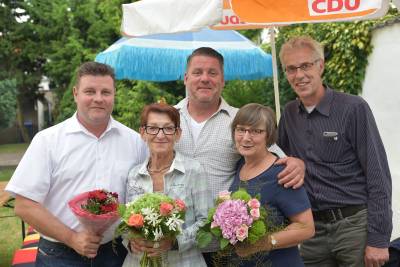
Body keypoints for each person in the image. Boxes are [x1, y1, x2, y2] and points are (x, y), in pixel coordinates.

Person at [5, 62, 148, 267]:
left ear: (114, 94)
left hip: (116, 253)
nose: (98, 98)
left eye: (105, 92)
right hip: (60, 255)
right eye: (90, 91)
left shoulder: (135, 142)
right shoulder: (48, 141)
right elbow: (24, 205)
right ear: (75, 93)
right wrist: (72, 238)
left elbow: (143, 195)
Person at [174, 47, 306, 266]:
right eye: (197, 72)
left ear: (223, 80)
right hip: (179, 246)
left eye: (212, 73)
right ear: (186, 78)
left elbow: (276, 159)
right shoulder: (167, 121)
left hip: (225, 248)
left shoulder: (242, 122)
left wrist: (297, 163)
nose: (205, 78)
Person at [277, 36, 392, 267]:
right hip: (311, 232)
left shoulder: (354, 108)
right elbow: (279, 162)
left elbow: (378, 175)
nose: (299, 75)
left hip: (354, 228)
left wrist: (378, 239)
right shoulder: (289, 114)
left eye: (306, 66)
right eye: (291, 69)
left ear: (321, 65)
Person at [123, 103, 210, 267]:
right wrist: (131, 241)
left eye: (168, 128)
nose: (160, 135)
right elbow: (126, 222)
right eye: (153, 128)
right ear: (143, 133)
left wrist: (174, 242)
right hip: (138, 262)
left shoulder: (193, 170)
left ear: (177, 134)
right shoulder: (134, 175)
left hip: (184, 262)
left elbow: (206, 223)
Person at [229, 103, 315, 267]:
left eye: (256, 131)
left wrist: (262, 243)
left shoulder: (282, 173)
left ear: (269, 135)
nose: (246, 137)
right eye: (241, 129)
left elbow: (306, 228)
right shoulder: (240, 165)